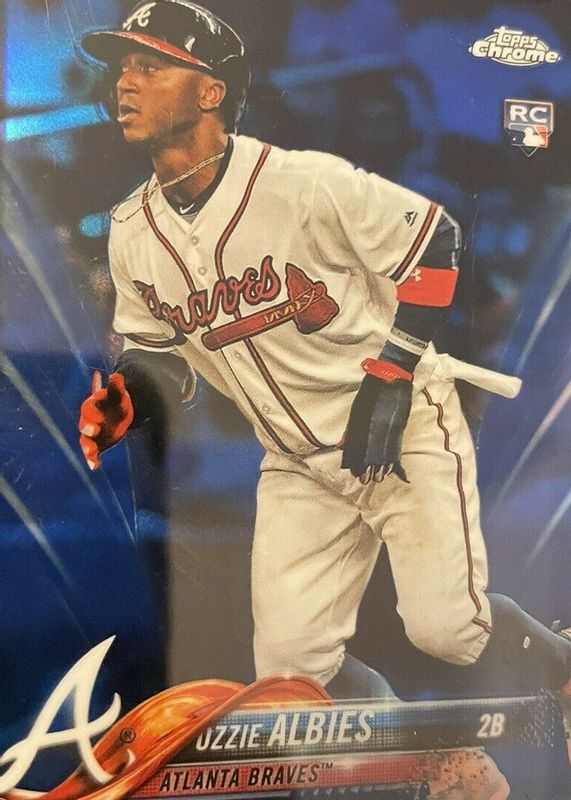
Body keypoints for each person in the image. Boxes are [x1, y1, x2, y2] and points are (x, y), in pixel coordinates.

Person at [78, 0, 571, 759]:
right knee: (291, 679)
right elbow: (163, 358)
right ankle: (411, 761)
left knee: (448, 631)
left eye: (150, 65)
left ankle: (564, 671)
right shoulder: (131, 231)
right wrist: (130, 399)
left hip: (398, 425)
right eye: (122, 66)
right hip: (297, 461)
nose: (125, 81)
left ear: (209, 91)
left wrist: (394, 368)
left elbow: (434, 239)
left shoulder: (300, 183)